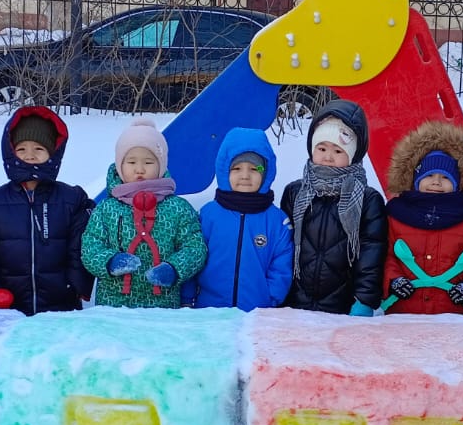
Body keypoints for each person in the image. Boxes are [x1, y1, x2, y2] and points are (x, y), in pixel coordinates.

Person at [0, 106, 94, 314]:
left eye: (38, 149)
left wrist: (77, 284)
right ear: (10, 152)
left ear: (52, 153)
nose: (30, 156)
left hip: (60, 310)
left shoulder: (71, 200)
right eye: (21, 149)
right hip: (8, 310)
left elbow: (80, 247)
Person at [81, 119, 206, 308]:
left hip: (162, 308)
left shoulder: (178, 208)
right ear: (120, 166)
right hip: (113, 308)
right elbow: (90, 246)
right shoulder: (106, 208)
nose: (139, 169)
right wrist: (109, 261)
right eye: (131, 162)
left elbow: (195, 248)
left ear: (161, 165)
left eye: (148, 162)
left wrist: (174, 269)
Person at [280, 100, 387, 315]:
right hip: (296, 304)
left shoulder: (367, 200)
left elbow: (372, 253)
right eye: (321, 148)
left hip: (343, 307)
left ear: (353, 154)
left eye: (338, 151)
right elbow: (283, 248)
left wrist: (364, 299)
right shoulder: (295, 192)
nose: (327, 157)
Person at [382, 121, 463, 315]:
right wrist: (393, 280)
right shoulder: (395, 215)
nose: (437, 182)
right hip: (404, 313)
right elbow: (387, 255)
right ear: (415, 179)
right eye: (429, 175)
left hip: (453, 314)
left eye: (446, 177)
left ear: (458, 183)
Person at [188, 127, 293, 310]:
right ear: (224, 171)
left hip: (257, 314)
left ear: (266, 172)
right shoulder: (208, 215)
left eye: (254, 169)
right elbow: (192, 258)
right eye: (236, 168)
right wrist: (188, 298)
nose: (245, 176)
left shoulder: (277, 222)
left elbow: (280, 268)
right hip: (209, 313)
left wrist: (270, 300)